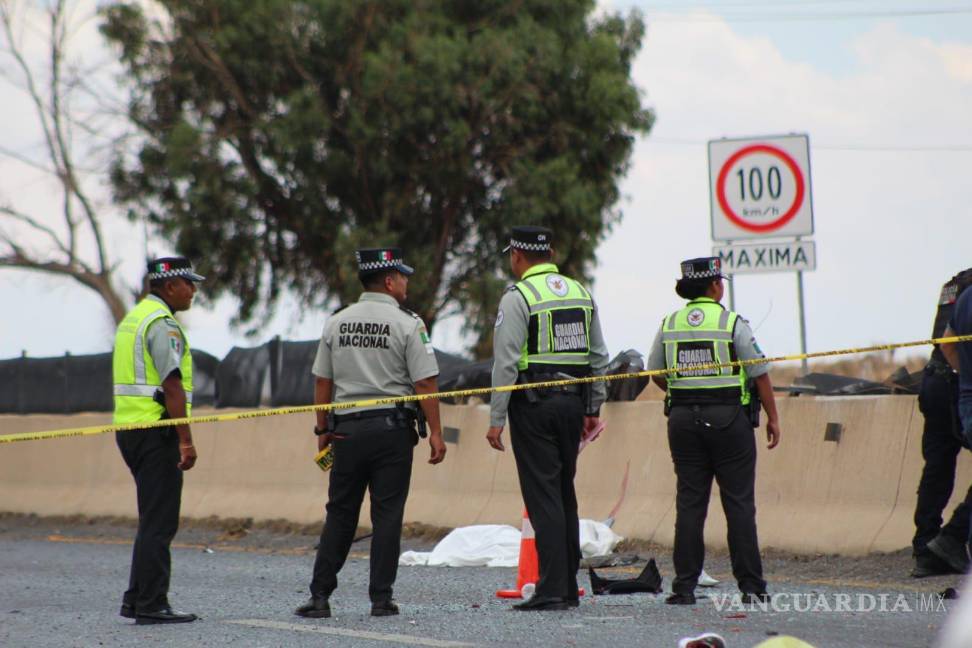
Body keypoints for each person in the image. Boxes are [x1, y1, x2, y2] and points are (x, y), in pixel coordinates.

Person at [296, 247, 447, 619]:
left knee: (340, 514)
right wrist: (437, 434)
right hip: (391, 434)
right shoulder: (408, 323)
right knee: (388, 515)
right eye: (404, 277)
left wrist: (322, 429)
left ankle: (319, 597)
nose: (407, 283)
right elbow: (425, 382)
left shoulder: (336, 321)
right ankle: (381, 599)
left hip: (346, 431)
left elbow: (322, 380)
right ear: (390, 281)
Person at [486, 225, 610, 611]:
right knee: (563, 493)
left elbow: (506, 362)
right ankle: (567, 587)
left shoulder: (518, 296)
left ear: (517, 257)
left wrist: (496, 417)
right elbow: (599, 357)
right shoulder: (580, 292)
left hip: (535, 405)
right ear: (551, 253)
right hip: (573, 404)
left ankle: (552, 589)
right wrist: (593, 407)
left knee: (543, 498)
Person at [647, 257, 781, 605]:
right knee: (738, 503)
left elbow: (655, 373)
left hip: (682, 422)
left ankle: (684, 588)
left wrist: (684, 389)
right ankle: (751, 587)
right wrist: (773, 417)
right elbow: (759, 373)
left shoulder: (670, 323)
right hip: (728, 421)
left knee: (690, 503)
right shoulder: (731, 322)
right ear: (715, 286)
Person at [113, 256, 204, 625]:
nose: (193, 291)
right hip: (156, 431)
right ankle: (152, 604)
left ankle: (136, 598)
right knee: (160, 523)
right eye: (189, 284)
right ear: (170, 287)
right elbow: (172, 385)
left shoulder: (134, 317)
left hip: (131, 430)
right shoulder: (161, 324)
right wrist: (185, 440)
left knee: (150, 518)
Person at [911, 269, 972, 578]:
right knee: (938, 467)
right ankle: (950, 539)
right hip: (956, 383)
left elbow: (943, 341)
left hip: (934, 378)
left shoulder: (957, 282)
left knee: (937, 467)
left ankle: (925, 548)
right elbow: (951, 343)